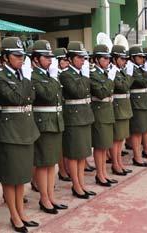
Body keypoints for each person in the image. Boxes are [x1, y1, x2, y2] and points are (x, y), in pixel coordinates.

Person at [0, 37, 40, 232]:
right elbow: (17, 98)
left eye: (22, 56)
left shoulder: (21, 76)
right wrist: (27, 81)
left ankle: (21, 211)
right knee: (11, 177)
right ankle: (14, 214)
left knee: (21, 177)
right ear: (5, 57)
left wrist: (25, 80)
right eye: (16, 55)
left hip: (26, 130)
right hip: (10, 133)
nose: (21, 59)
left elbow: (31, 98)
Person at [31, 40, 68, 214]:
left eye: (50, 57)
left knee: (51, 163)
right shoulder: (34, 75)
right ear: (36, 59)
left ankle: (51, 196)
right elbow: (47, 95)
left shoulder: (47, 75)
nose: (50, 60)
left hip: (54, 121)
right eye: (45, 57)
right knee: (43, 163)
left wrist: (52, 77)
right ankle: (44, 198)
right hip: (43, 123)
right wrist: (53, 78)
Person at [59, 41, 95, 199]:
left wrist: (84, 77)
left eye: (83, 58)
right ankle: (76, 185)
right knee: (74, 155)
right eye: (79, 58)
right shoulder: (66, 74)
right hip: (73, 118)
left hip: (84, 116)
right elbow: (78, 92)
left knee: (82, 154)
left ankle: (81, 184)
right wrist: (85, 78)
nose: (82, 61)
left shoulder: (80, 74)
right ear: (71, 59)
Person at [90, 44, 116, 186]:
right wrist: (110, 80)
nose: (107, 61)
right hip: (99, 112)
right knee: (100, 146)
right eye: (104, 58)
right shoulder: (94, 74)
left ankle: (104, 173)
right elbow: (101, 93)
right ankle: (99, 174)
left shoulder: (104, 73)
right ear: (96, 60)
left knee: (105, 145)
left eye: (108, 58)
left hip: (107, 111)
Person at [109, 45, 133, 175]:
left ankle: (119, 162)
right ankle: (115, 164)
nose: (124, 61)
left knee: (121, 138)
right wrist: (129, 75)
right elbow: (124, 86)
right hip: (117, 107)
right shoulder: (113, 71)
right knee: (116, 139)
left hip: (124, 107)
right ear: (115, 59)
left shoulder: (121, 71)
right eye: (122, 59)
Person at [127, 46, 147, 167]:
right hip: (137, 103)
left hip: (142, 101)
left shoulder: (139, 69)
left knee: (142, 130)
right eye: (139, 57)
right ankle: (137, 157)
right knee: (136, 132)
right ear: (132, 58)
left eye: (143, 57)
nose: (142, 59)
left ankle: (140, 154)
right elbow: (144, 82)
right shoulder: (133, 70)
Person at [53, 48, 72, 182]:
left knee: (66, 142)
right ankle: (62, 169)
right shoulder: (55, 74)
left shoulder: (65, 73)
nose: (67, 62)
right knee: (59, 144)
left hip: (66, 109)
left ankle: (66, 167)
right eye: (64, 60)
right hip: (58, 110)